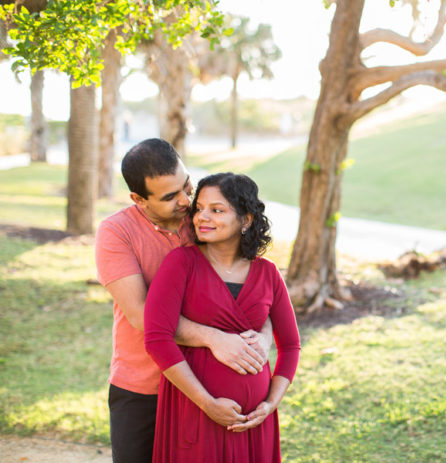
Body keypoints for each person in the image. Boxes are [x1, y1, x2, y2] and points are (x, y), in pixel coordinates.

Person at [95, 138, 273, 463]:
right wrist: (214, 338)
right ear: (139, 199)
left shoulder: (204, 222)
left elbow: (256, 287)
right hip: (144, 388)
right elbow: (140, 315)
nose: (185, 200)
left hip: (208, 385)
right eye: (169, 196)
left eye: (186, 185)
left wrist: (263, 337)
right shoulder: (116, 233)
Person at [144, 172, 301, 463]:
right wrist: (207, 403)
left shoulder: (267, 273)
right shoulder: (181, 264)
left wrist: (270, 404)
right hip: (196, 414)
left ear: (246, 220)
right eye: (199, 208)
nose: (202, 217)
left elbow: (291, 346)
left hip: (255, 424)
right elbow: (156, 338)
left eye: (217, 210)